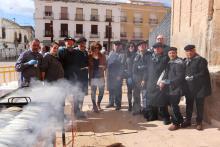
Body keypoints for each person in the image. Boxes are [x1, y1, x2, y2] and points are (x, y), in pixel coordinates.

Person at [181, 45, 212, 130]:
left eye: (191, 51)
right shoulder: (185, 61)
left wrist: (193, 77)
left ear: (194, 51)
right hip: (189, 88)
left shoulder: (201, 60)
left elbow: (203, 73)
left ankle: (199, 122)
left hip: (200, 88)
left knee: (199, 106)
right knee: (189, 105)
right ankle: (188, 121)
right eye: (187, 51)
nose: (189, 53)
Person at [58, 36, 86, 118]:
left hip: (75, 78)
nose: (69, 43)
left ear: (74, 43)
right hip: (64, 79)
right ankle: (65, 114)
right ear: (65, 43)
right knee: (65, 98)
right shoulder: (61, 52)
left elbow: (83, 63)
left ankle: (76, 112)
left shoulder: (78, 53)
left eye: (71, 42)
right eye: (68, 42)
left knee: (76, 96)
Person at [159, 47, 185, 131]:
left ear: (176, 53)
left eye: (173, 53)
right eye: (170, 53)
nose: (171, 54)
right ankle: (180, 119)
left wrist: (168, 82)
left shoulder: (179, 63)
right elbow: (166, 74)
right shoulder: (170, 62)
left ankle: (176, 123)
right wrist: (162, 82)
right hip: (170, 88)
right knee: (172, 106)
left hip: (176, 88)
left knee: (174, 106)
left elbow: (180, 77)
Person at [144, 42, 171, 125]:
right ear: (153, 49)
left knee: (162, 101)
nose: (157, 49)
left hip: (160, 82)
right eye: (155, 48)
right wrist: (144, 80)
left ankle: (165, 117)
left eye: (159, 47)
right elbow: (146, 70)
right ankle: (153, 116)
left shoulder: (166, 58)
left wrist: (163, 81)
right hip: (150, 81)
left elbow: (167, 70)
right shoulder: (149, 57)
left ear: (162, 49)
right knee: (151, 101)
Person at [132, 41, 150, 115]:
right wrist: (134, 79)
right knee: (136, 95)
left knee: (145, 95)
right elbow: (133, 68)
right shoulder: (136, 55)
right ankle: (137, 109)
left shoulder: (149, 55)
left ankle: (145, 110)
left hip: (145, 79)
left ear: (146, 46)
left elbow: (148, 69)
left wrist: (144, 79)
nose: (142, 46)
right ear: (138, 48)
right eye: (140, 46)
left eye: (143, 45)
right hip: (136, 79)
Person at [88, 42, 106, 113]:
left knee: (101, 92)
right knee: (93, 93)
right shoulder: (89, 56)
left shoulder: (102, 56)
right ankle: (94, 106)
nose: (96, 49)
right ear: (92, 48)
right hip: (93, 77)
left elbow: (105, 65)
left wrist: (103, 67)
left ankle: (98, 104)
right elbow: (87, 65)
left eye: (98, 48)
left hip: (101, 77)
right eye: (95, 48)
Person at [106, 41, 124, 110]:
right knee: (111, 89)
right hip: (110, 75)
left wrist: (119, 75)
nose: (116, 46)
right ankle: (111, 103)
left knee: (118, 90)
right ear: (113, 46)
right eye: (115, 45)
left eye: (118, 45)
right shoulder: (111, 53)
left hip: (117, 76)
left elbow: (122, 66)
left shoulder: (122, 54)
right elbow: (108, 62)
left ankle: (118, 104)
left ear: (120, 46)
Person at [75, 37, 89, 111]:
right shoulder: (75, 52)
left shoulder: (85, 52)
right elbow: (73, 66)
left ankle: (80, 109)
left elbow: (87, 62)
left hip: (84, 76)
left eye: (84, 44)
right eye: (81, 44)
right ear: (78, 44)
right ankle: (76, 110)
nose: (83, 46)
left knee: (82, 93)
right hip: (77, 77)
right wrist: (83, 68)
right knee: (77, 94)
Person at [124, 42, 137, 111]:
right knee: (129, 91)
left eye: (132, 46)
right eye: (130, 46)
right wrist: (126, 75)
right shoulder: (126, 56)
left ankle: (135, 105)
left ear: (134, 47)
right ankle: (130, 105)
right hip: (129, 77)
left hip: (136, 76)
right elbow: (124, 66)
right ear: (128, 48)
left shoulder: (137, 55)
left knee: (136, 91)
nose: (131, 47)